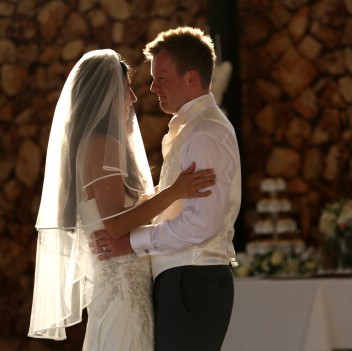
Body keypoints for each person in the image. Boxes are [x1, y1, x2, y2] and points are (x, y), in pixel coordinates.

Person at [28, 49, 216, 350]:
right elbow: (115, 224)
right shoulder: (102, 144)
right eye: (126, 88)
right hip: (123, 297)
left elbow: (118, 213)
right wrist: (175, 191)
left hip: (125, 293)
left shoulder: (93, 144)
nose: (133, 97)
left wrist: (161, 193)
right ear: (104, 94)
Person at [94, 26, 242, 351]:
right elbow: (171, 204)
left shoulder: (204, 133)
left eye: (161, 78)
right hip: (184, 279)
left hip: (193, 279)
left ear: (190, 78)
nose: (151, 87)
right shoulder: (191, 129)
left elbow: (200, 225)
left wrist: (130, 242)